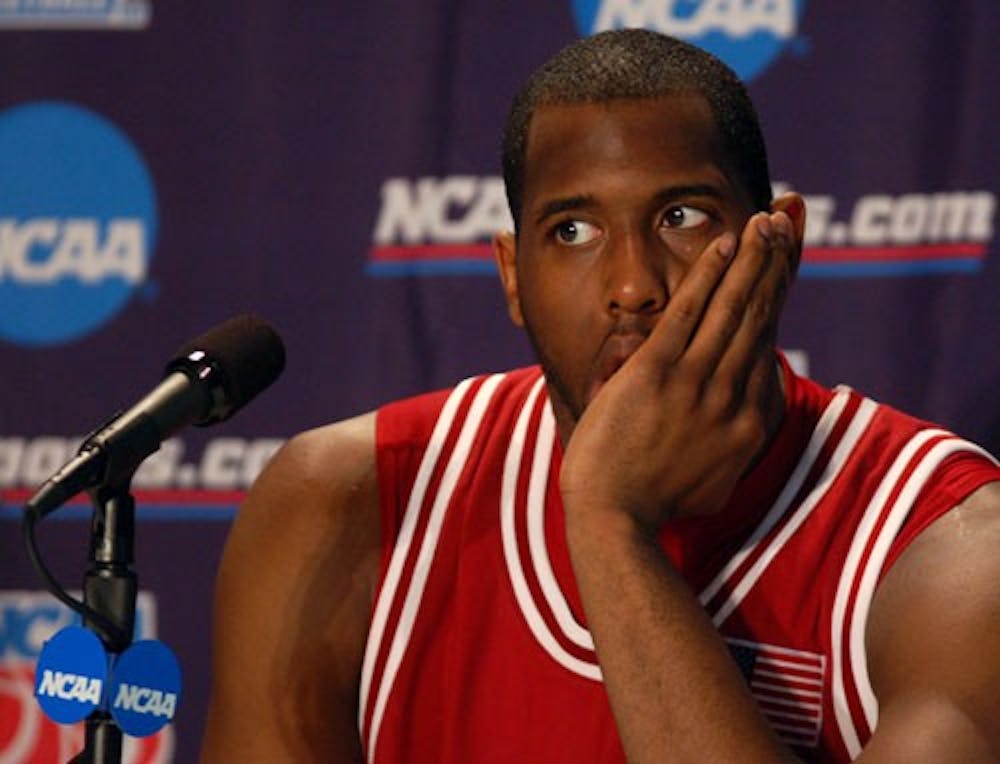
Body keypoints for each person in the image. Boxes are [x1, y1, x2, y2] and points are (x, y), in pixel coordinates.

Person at [200, 29, 1000, 763]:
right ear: (512, 276)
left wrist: (609, 523)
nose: (631, 286)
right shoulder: (349, 506)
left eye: (681, 216)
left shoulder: (948, 550)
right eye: (573, 232)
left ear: (778, 240)